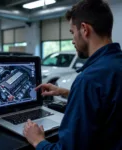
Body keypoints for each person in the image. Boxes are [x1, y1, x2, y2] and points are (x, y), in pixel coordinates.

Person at [23, 0, 122, 149]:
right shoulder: (116, 64)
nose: (72, 40)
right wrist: (67, 93)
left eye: (72, 32)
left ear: (84, 29)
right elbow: (108, 102)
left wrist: (38, 141)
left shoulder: (89, 79)